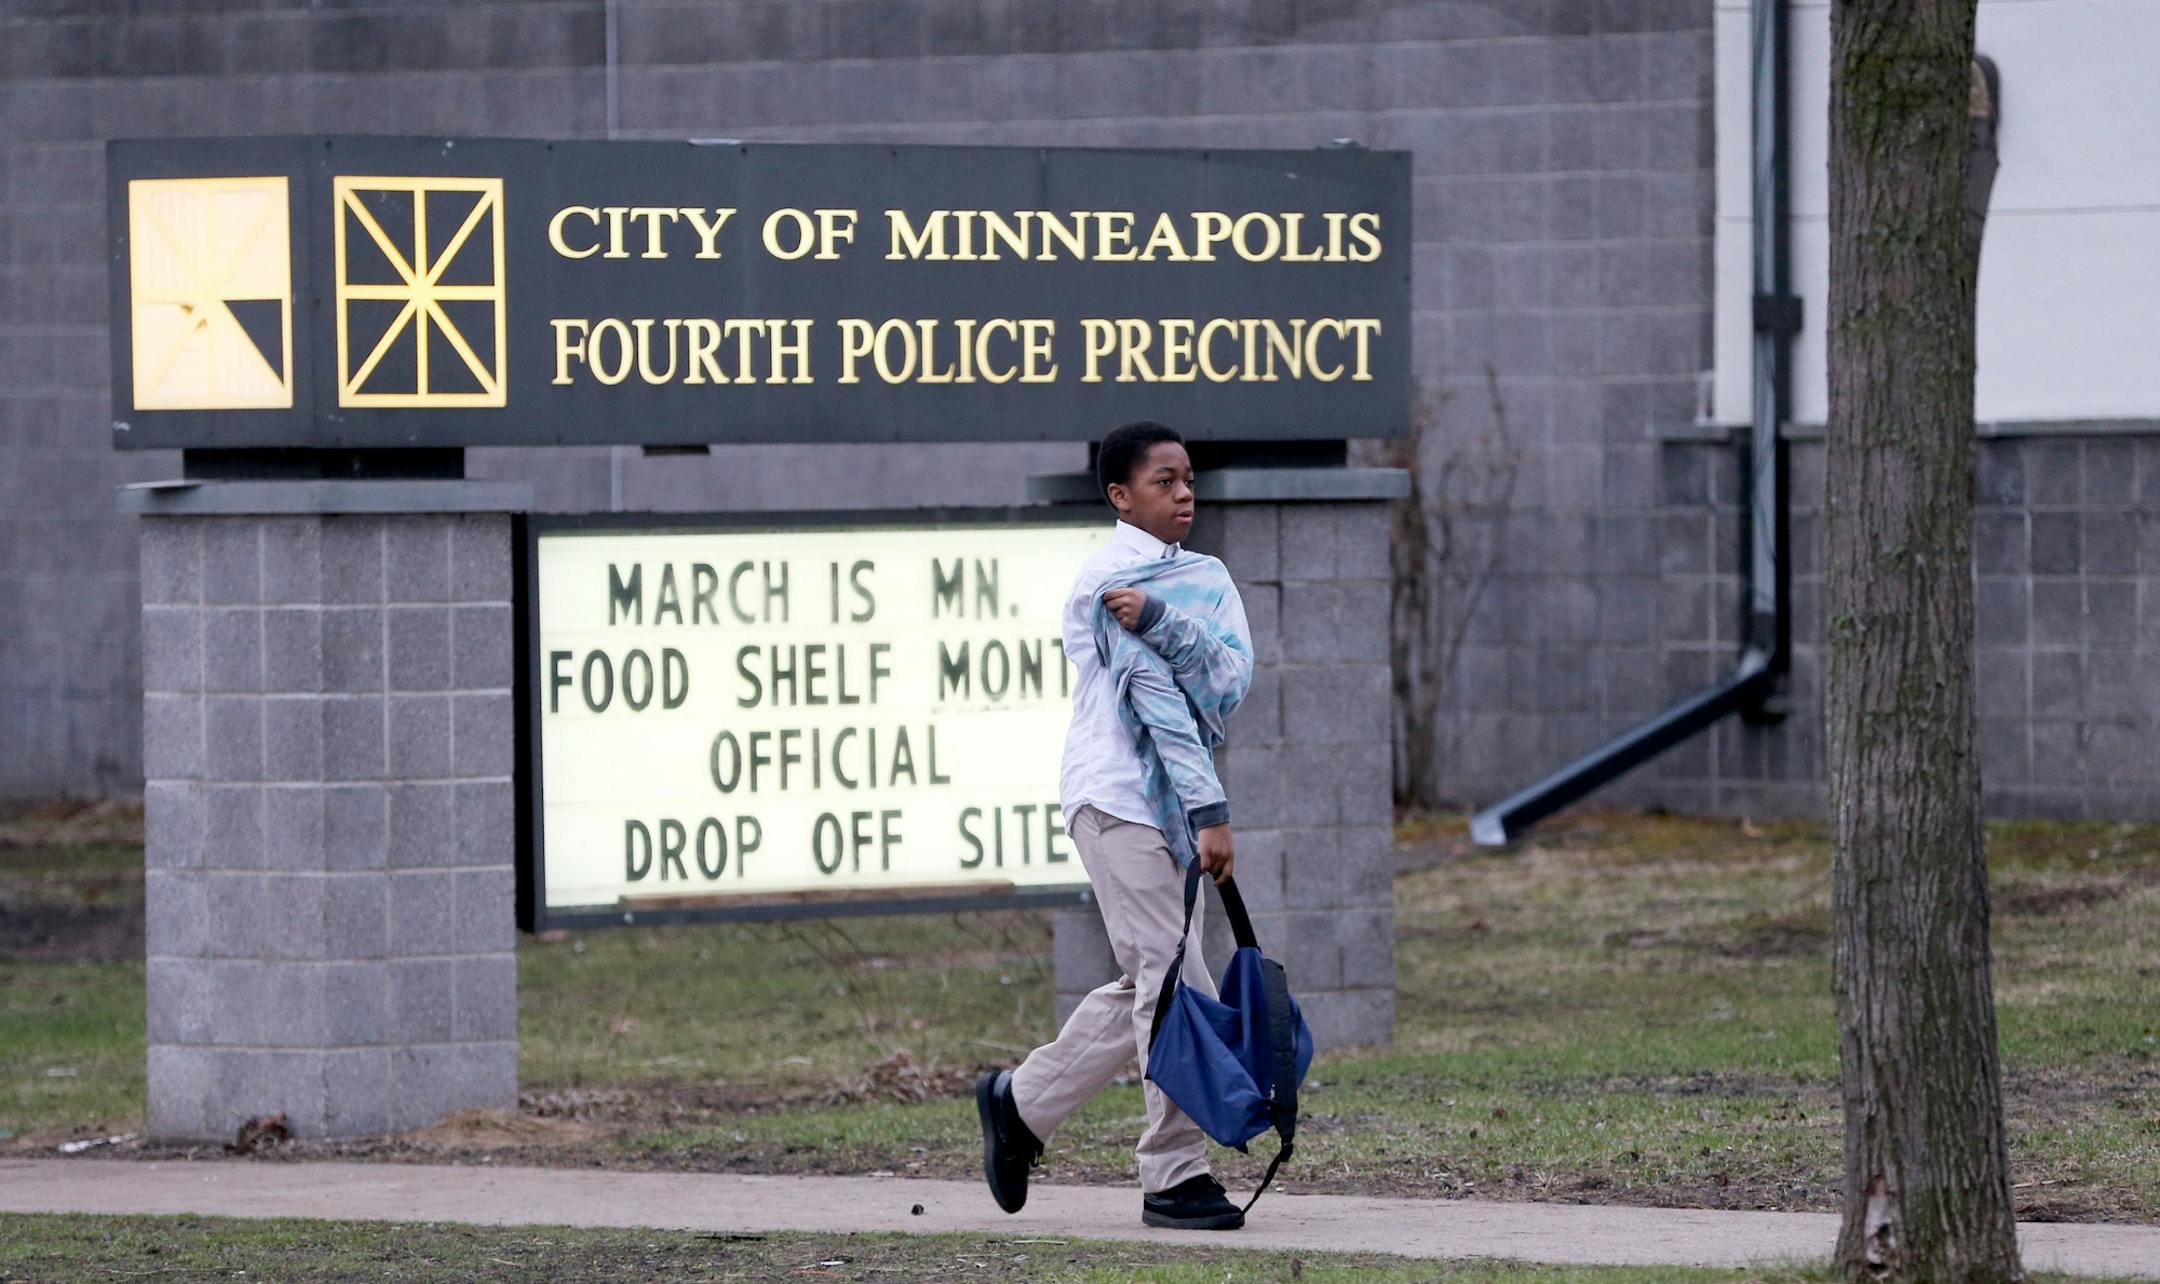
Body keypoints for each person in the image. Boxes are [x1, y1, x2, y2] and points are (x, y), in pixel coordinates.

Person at [975, 420, 1255, 1231]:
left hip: (1177, 808)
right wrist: (1212, 812)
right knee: (1175, 984)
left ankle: (1021, 1104)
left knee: (1151, 976)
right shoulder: (1106, 579)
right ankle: (1173, 1174)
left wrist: (1166, 621)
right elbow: (1161, 702)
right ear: (1119, 496)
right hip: (1121, 803)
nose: (1183, 495)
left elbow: (1229, 679)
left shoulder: (1199, 578)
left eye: (1189, 480)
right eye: (1164, 482)